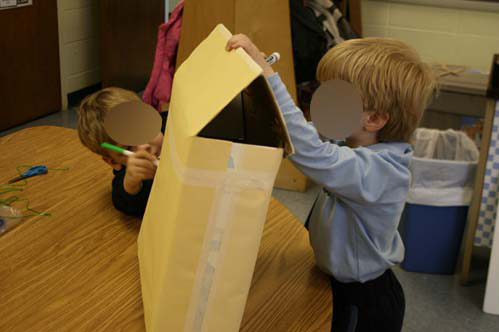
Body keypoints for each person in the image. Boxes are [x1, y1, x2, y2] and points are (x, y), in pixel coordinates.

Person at [226, 35, 436, 332]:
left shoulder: (383, 172)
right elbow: (294, 132)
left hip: (363, 302)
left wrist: (269, 77)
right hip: (332, 280)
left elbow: (309, 151)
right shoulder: (347, 139)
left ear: (374, 119)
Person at [77, 87, 167, 217]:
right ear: (113, 162)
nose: (144, 146)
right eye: (129, 148)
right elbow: (123, 200)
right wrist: (131, 184)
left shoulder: (174, 123)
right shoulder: (131, 175)